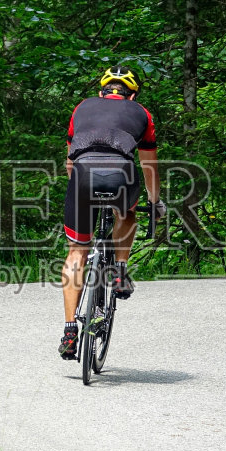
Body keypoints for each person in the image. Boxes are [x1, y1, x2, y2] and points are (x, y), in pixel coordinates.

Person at [59, 66, 161, 360]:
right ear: (132, 94)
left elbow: (70, 160)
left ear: (102, 90)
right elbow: (149, 165)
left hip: (81, 175)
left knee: (77, 251)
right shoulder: (142, 113)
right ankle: (118, 270)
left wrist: (78, 192)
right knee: (127, 214)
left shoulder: (81, 108)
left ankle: (69, 330)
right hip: (121, 173)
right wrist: (155, 202)